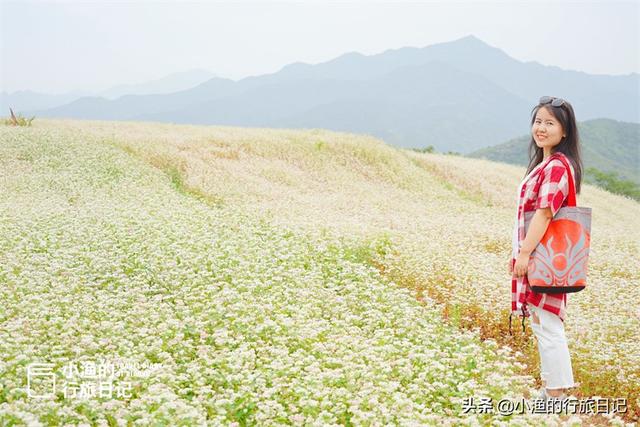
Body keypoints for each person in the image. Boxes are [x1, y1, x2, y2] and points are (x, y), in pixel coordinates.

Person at [508, 96, 584, 401]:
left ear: (564, 131)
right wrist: (518, 252)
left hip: (545, 256)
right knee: (543, 323)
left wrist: (525, 253)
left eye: (549, 123)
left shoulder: (556, 166)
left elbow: (544, 213)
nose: (541, 128)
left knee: (549, 326)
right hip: (539, 253)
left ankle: (556, 396)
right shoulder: (546, 163)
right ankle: (554, 391)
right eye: (538, 121)